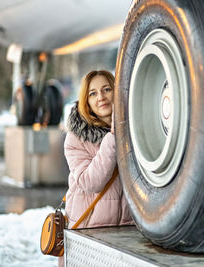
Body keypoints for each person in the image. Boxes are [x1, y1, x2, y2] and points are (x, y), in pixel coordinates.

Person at [59, 70, 133, 266]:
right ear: (86, 101)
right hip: (88, 231)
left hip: (126, 234)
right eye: (93, 93)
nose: (101, 97)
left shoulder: (135, 132)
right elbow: (91, 182)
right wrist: (113, 137)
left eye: (106, 89)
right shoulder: (76, 137)